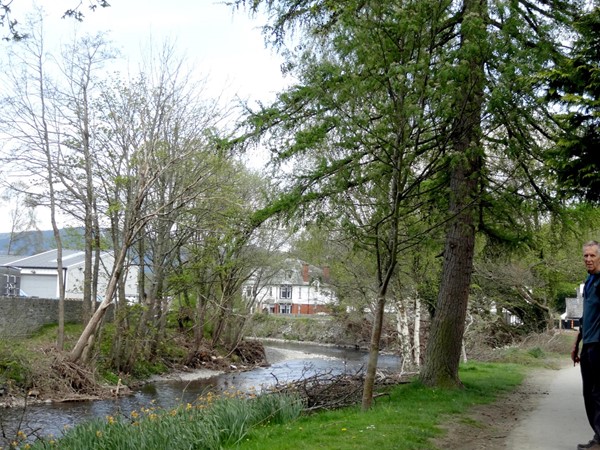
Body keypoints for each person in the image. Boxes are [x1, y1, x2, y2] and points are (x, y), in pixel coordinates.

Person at [573, 240, 600, 450]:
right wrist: (577, 342)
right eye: (585, 256)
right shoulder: (589, 281)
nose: (588, 259)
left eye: (592, 255)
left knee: (598, 393)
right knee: (589, 394)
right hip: (588, 344)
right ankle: (598, 436)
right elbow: (586, 315)